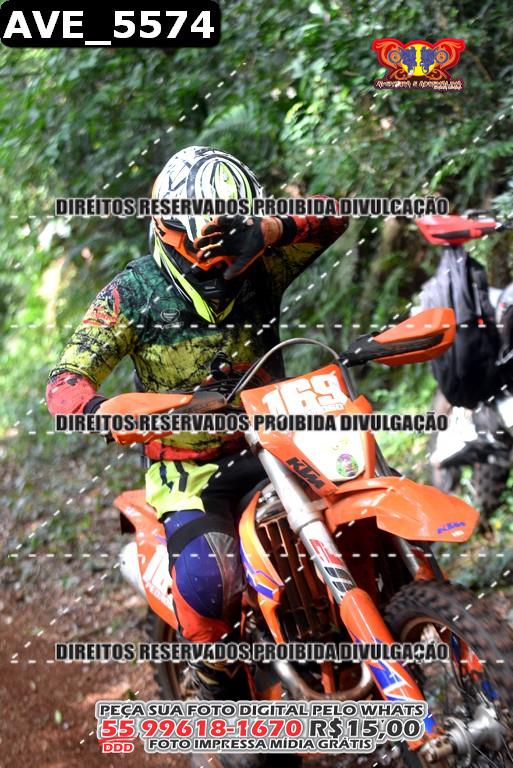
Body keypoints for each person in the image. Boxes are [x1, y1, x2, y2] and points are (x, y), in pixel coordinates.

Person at [46, 145, 348, 706]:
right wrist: (108, 413)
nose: (219, 264)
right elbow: (65, 383)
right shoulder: (133, 295)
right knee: (212, 581)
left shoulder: (265, 263)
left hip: (278, 441)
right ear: (168, 229)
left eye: (229, 242)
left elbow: (336, 214)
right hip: (192, 470)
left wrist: (269, 230)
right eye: (205, 246)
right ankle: (215, 693)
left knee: (357, 505)